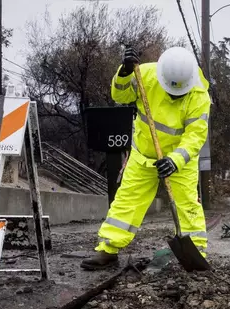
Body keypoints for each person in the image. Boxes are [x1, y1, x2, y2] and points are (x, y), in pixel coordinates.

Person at [81, 46, 211, 270]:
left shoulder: (199, 96)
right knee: (127, 201)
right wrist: (124, 73)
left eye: (177, 93)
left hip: (180, 160)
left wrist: (175, 161)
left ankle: (195, 251)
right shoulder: (146, 75)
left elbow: (195, 136)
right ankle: (108, 249)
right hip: (143, 154)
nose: (172, 95)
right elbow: (119, 95)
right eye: (170, 91)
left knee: (187, 205)